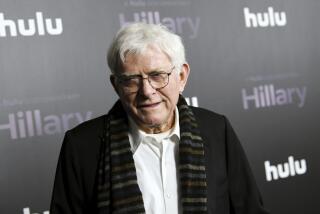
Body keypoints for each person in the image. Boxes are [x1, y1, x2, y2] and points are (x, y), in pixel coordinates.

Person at [50, 23, 269, 214]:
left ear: (181, 76)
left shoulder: (216, 130)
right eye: (132, 80)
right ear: (116, 85)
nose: (147, 91)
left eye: (157, 76)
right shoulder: (81, 146)